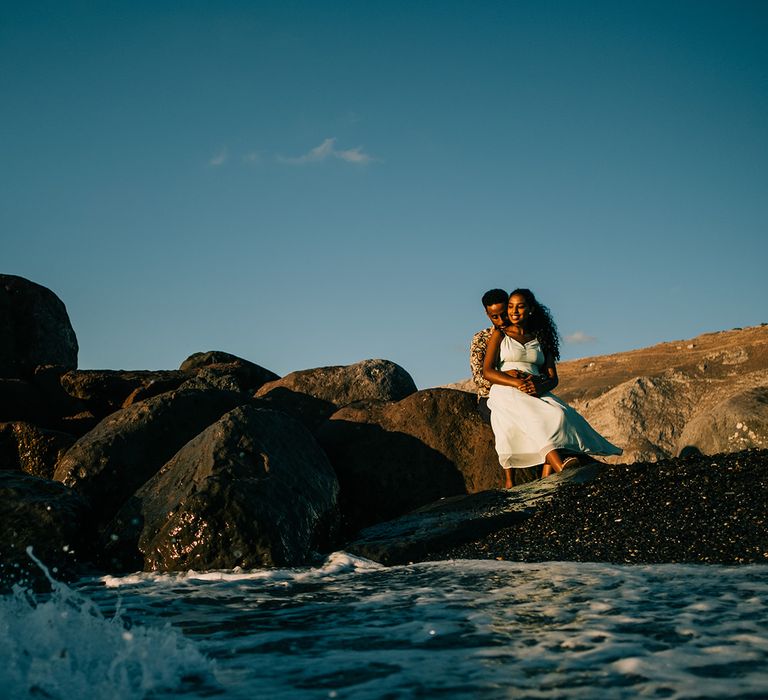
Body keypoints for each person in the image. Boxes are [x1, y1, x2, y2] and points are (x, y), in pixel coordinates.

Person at [483, 288, 622, 477]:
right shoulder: (500, 334)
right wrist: (516, 383)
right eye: (511, 307)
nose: (514, 312)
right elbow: (488, 371)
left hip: (535, 389)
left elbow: (552, 377)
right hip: (507, 387)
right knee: (533, 416)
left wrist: (539, 386)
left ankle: (547, 475)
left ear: (531, 309)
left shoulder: (541, 337)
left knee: (560, 414)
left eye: (520, 307)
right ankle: (562, 468)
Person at [470, 289, 537, 488]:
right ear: (487, 314)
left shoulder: (526, 334)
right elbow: (480, 378)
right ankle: (511, 480)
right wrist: (508, 378)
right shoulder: (481, 339)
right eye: (494, 316)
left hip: (523, 390)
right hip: (492, 396)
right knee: (506, 420)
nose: (500, 320)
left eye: (503, 314)